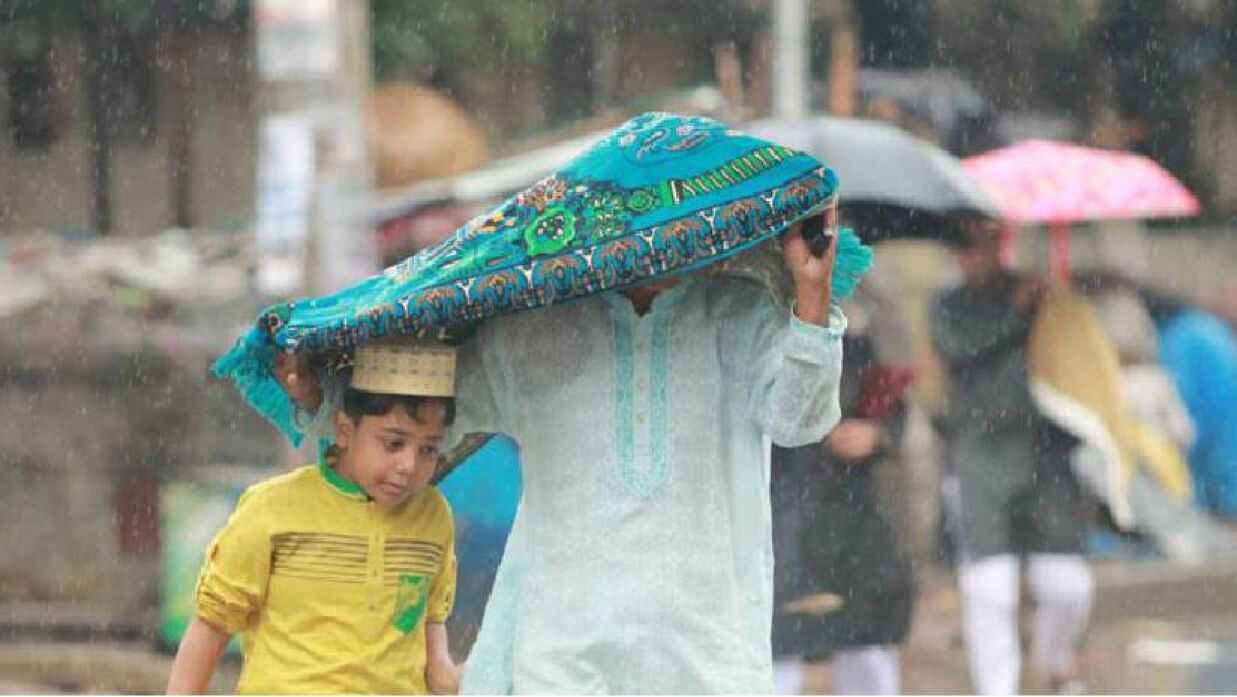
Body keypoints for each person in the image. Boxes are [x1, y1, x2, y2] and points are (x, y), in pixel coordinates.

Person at [284, 219, 846, 693]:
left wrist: (813, 294)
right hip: (560, 656)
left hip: (702, 653)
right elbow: (421, 410)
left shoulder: (738, 315)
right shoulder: (538, 325)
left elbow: (800, 421)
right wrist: (324, 399)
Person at [166, 342, 461, 695]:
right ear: (345, 430)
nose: (409, 467)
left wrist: (446, 670)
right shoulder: (273, 508)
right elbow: (212, 624)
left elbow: (429, 615)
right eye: (393, 444)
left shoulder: (433, 516)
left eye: (428, 449)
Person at [930, 225, 1092, 695]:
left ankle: (1053, 658)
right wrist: (1013, 311)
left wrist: (1055, 303)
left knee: (1069, 585)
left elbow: (1075, 358)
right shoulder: (948, 306)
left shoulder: (1038, 289)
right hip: (980, 456)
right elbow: (961, 349)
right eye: (965, 247)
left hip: (1044, 457)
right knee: (991, 590)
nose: (974, 256)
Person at [771, 276, 915, 695]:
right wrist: (811, 430)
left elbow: (892, 408)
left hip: (853, 514)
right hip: (785, 509)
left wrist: (876, 435)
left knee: (865, 637)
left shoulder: (857, 345)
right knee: (780, 640)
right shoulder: (764, 339)